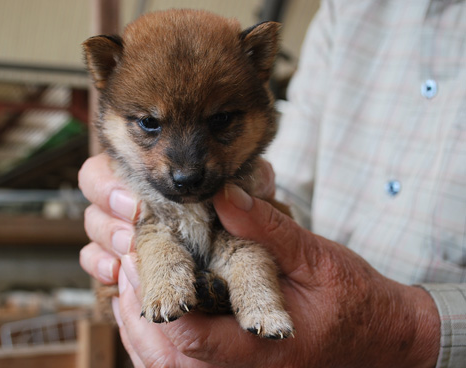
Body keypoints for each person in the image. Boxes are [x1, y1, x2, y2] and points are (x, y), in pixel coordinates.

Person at [79, 0, 466, 366]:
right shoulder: (348, 9)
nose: (185, 169)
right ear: (108, 70)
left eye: (220, 122)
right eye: (150, 124)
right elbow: (287, 188)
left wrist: (414, 329)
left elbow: (264, 224)